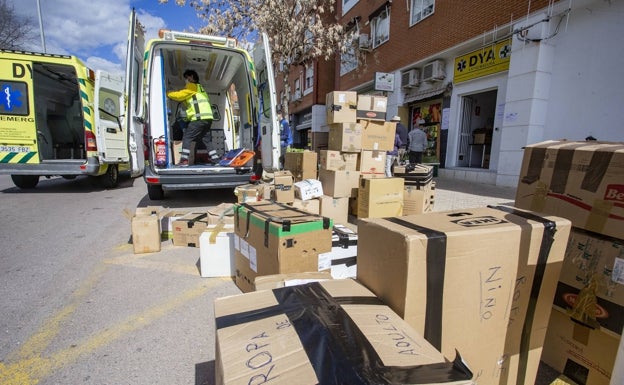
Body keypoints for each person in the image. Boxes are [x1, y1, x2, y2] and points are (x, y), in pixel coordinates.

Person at [166, 69, 218, 166]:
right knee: (206, 139)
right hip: (207, 119)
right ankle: (215, 159)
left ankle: (184, 160)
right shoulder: (200, 88)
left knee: (187, 137)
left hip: (199, 118)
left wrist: (168, 94)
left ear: (192, 77)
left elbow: (180, 95)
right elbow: (190, 102)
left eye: (187, 77)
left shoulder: (192, 86)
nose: (186, 80)